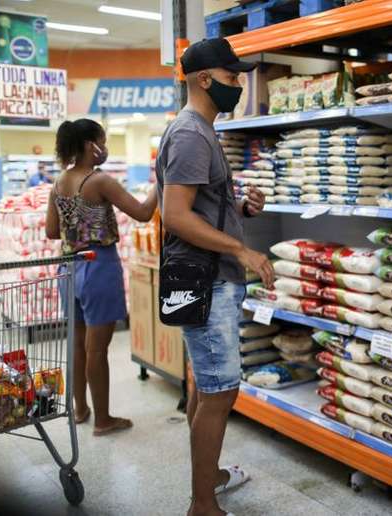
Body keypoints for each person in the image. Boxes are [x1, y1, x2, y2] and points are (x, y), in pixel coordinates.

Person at [155, 38, 275, 516]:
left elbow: (199, 207)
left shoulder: (201, 130)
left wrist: (240, 208)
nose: (238, 85)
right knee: (220, 391)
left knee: (209, 388)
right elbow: (176, 215)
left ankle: (210, 479)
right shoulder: (191, 134)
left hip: (208, 276)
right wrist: (240, 248)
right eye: (230, 77)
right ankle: (202, 503)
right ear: (203, 79)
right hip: (206, 279)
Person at [45, 118, 158, 436]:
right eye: (103, 142)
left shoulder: (59, 182)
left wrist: (76, 227)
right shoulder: (100, 181)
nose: (105, 148)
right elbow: (143, 212)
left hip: (68, 268)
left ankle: (80, 409)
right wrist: (161, 183)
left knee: (78, 345)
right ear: (89, 145)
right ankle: (104, 420)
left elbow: (52, 231)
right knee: (97, 349)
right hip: (98, 266)